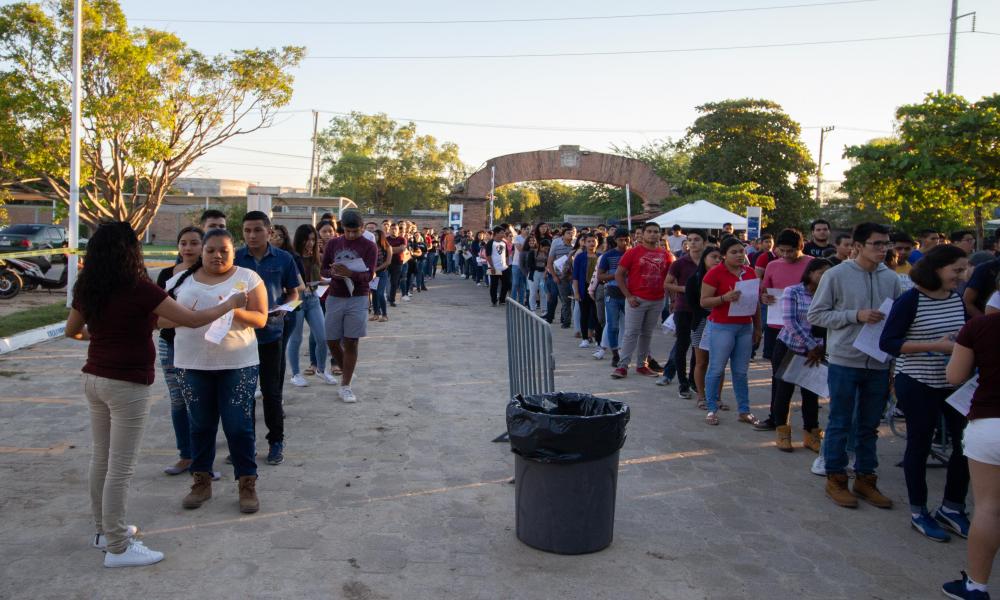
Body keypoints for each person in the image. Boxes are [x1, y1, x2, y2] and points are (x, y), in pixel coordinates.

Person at [65, 221, 248, 568]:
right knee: (120, 467)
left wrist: (106, 335)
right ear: (130, 251)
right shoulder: (141, 288)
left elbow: (72, 331)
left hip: (94, 379)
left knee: (101, 459)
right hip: (127, 386)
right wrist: (231, 303)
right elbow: (192, 320)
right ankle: (118, 546)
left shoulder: (88, 287)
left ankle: (105, 530)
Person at [164, 228, 268, 517]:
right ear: (202, 252)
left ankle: (247, 483)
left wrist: (233, 312)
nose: (217, 255)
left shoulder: (247, 278)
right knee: (200, 425)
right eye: (210, 250)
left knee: (238, 426)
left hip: (238, 363)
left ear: (234, 251)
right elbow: (159, 318)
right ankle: (201, 481)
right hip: (192, 363)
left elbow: (260, 318)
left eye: (224, 250)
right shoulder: (181, 280)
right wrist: (188, 315)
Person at [879, 245, 971, 542]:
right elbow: (889, 343)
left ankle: (952, 507)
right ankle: (919, 511)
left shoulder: (956, 299)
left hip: (954, 385)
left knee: (965, 445)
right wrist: (935, 345)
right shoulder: (910, 300)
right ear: (936, 269)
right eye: (956, 270)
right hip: (917, 382)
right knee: (918, 445)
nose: (962, 275)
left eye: (964, 269)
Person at [807, 222, 901, 509]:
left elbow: (896, 319)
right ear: (858, 246)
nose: (883, 249)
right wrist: (854, 315)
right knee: (840, 422)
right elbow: (817, 315)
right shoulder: (836, 275)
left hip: (879, 362)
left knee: (870, 424)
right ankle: (835, 479)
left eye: (886, 244)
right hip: (845, 360)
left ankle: (865, 478)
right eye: (877, 244)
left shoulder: (891, 278)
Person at [941, 308, 1000, 599]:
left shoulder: (981, 327)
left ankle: (976, 586)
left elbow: (954, 375)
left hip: (990, 424)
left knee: (989, 507)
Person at [234, 211, 302, 466]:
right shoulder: (236, 258)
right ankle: (245, 445)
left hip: (272, 334)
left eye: (257, 230)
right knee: (244, 394)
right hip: (241, 336)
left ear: (269, 231)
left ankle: (276, 442)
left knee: (271, 393)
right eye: (247, 230)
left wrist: (283, 310)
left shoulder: (284, 259)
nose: (252, 235)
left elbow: (294, 294)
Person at [757, 258, 832, 450]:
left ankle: (811, 433)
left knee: (810, 393)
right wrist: (810, 345)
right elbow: (790, 322)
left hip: (817, 351)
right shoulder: (794, 291)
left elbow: (829, 322)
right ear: (810, 272)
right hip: (790, 347)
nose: (824, 277)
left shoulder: (830, 294)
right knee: (784, 391)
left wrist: (820, 348)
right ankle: (782, 432)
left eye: (828, 273)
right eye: (821, 272)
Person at [156, 226, 204, 476]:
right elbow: (157, 318)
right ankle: (185, 455)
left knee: (199, 402)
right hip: (169, 344)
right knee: (178, 400)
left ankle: (202, 459)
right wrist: (190, 318)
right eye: (183, 243)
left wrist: (189, 319)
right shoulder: (165, 275)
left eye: (194, 243)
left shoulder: (209, 275)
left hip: (200, 345)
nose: (188, 248)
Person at [699, 237, 762, 426]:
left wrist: (758, 327)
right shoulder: (714, 273)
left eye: (741, 252)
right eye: (734, 252)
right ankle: (711, 409)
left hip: (744, 326)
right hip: (722, 325)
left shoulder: (750, 273)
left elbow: (755, 302)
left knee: (741, 371)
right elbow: (704, 301)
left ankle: (744, 410)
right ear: (724, 255)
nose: (739, 256)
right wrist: (724, 298)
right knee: (717, 368)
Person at [320, 209, 377, 403]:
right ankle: (348, 370)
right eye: (347, 231)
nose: (351, 235)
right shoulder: (334, 243)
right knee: (331, 339)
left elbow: (369, 275)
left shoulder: (370, 246)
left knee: (352, 340)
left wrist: (350, 273)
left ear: (362, 228)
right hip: (335, 295)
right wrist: (333, 273)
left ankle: (345, 385)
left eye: (356, 231)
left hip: (358, 296)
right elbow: (324, 269)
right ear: (341, 228)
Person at [755, 229, 813, 418]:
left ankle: (810, 425)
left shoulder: (812, 264)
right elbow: (763, 291)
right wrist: (764, 298)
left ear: (801, 247)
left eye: (791, 251)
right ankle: (777, 418)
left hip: (807, 329)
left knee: (808, 379)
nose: (786, 255)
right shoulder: (772, 265)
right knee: (778, 375)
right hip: (777, 327)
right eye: (782, 251)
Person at [611, 222, 673, 379]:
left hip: (658, 300)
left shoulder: (666, 255)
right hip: (636, 299)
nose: (653, 234)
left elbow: (671, 279)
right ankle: (622, 366)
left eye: (656, 232)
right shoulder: (632, 252)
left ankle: (642, 365)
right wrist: (628, 296)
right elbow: (619, 275)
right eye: (650, 231)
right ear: (643, 234)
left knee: (647, 334)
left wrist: (673, 300)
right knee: (631, 333)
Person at [287, 224, 337, 387]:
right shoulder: (291, 257)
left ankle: (321, 370)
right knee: (296, 338)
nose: (310, 243)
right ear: (299, 240)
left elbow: (318, 276)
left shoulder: (316, 256)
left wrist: (328, 280)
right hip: (297, 299)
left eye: (313, 239)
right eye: (307, 239)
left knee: (323, 337)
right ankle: (295, 374)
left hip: (313, 298)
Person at [661, 229, 706, 397]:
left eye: (697, 239)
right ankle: (682, 383)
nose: (693, 243)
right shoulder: (680, 262)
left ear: (704, 242)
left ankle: (694, 381)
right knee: (682, 345)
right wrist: (684, 289)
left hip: (703, 310)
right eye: (690, 240)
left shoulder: (709, 262)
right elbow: (667, 284)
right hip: (683, 308)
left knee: (699, 348)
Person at [687, 246, 722, 409]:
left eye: (719, 257)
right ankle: (701, 396)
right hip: (701, 323)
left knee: (719, 363)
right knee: (701, 362)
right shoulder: (695, 279)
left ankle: (716, 397)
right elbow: (692, 304)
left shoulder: (725, 278)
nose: (717, 260)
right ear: (705, 259)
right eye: (713, 257)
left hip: (723, 323)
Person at [597, 230, 630, 366]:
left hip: (630, 294)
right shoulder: (608, 256)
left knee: (630, 327)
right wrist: (618, 275)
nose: (624, 242)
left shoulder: (633, 254)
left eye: (626, 239)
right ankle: (615, 354)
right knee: (613, 326)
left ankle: (627, 352)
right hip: (613, 294)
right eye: (621, 239)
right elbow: (600, 276)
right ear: (615, 240)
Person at [572, 233, 602, 347]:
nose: (591, 243)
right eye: (589, 241)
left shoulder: (600, 256)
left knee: (597, 315)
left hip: (597, 289)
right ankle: (585, 338)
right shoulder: (579, 257)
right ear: (584, 243)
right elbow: (575, 276)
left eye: (593, 241)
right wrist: (576, 292)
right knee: (584, 313)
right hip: (583, 288)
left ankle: (599, 340)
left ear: (597, 242)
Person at [544, 223, 577, 327]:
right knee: (565, 300)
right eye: (568, 233)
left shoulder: (576, 248)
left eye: (572, 233)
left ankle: (576, 322)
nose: (571, 235)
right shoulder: (557, 247)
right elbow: (549, 263)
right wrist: (554, 276)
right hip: (561, 278)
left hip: (574, 278)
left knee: (576, 300)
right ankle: (566, 321)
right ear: (563, 235)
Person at [371, 229, 393, 322]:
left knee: (380, 293)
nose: (375, 237)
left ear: (381, 236)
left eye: (376, 235)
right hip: (373, 274)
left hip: (382, 273)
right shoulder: (372, 247)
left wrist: (376, 269)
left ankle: (384, 315)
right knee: (374, 294)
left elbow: (388, 262)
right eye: (374, 235)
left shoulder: (388, 247)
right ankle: (376, 313)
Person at [486, 226, 512, 306]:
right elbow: (488, 256)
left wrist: (507, 264)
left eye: (504, 232)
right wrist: (492, 266)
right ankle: (494, 301)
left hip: (504, 267)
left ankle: (502, 299)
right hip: (494, 267)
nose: (503, 234)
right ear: (496, 233)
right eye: (502, 233)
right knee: (494, 285)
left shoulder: (504, 243)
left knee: (507, 283)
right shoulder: (490, 243)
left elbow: (507, 255)